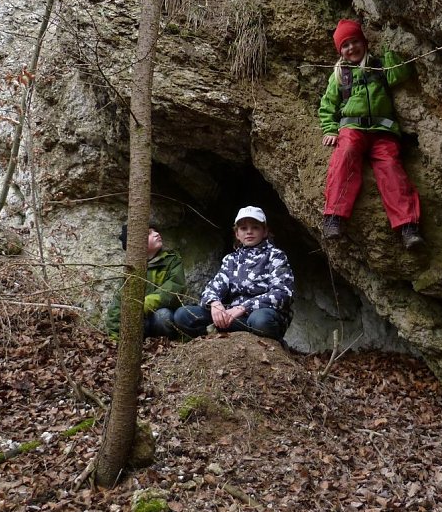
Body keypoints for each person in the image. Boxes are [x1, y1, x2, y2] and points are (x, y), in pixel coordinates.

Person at [318, 19, 424, 250]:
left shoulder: (378, 66)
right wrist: (330, 129)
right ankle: (334, 217)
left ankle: (408, 226)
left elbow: (401, 72)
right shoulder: (340, 75)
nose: (351, 48)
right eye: (345, 45)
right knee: (345, 155)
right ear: (340, 51)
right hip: (352, 129)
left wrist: (388, 46)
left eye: (355, 41)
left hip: (382, 131)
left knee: (391, 167)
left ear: (364, 42)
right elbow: (327, 105)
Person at [172, 206, 294, 342]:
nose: (249, 232)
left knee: (260, 321)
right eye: (243, 228)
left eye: (255, 227)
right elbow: (212, 288)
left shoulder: (276, 256)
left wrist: (244, 307)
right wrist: (214, 303)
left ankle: (269, 341)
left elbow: (282, 293)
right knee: (183, 315)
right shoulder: (231, 259)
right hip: (233, 317)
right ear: (237, 234)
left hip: (262, 315)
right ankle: (220, 337)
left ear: (265, 231)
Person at [105, 222, 186, 339]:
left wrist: (145, 304)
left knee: (163, 315)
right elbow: (117, 306)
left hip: (161, 320)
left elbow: (175, 286)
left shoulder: (171, 261)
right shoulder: (131, 270)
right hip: (140, 325)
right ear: (136, 243)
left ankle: (166, 345)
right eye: (149, 233)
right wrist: (114, 337)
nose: (157, 234)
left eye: (155, 231)